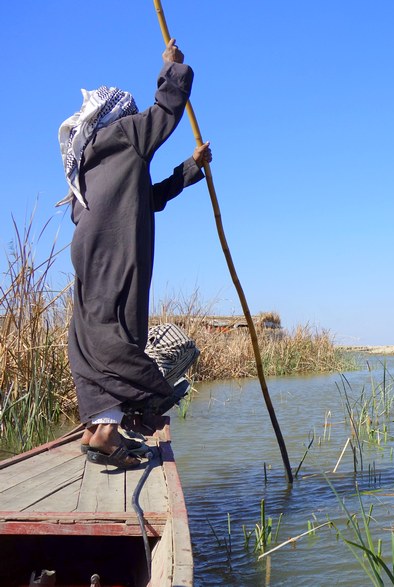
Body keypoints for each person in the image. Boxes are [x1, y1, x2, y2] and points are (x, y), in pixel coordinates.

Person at [58, 39, 212, 468]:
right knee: (120, 328)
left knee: (91, 333)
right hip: (115, 252)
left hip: (89, 256)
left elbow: (149, 197)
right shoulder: (122, 137)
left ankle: (96, 426)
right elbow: (165, 112)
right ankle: (109, 432)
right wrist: (172, 68)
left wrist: (190, 168)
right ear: (116, 114)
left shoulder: (90, 162)